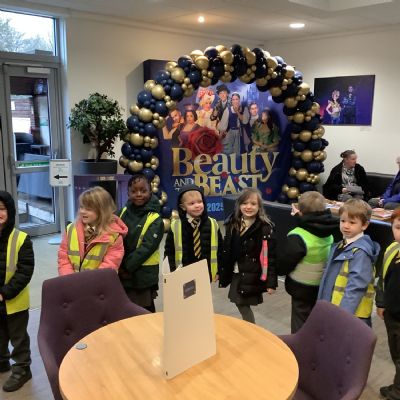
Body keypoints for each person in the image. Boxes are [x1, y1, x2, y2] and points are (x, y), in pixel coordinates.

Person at [277, 191, 339, 333]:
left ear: (301, 211)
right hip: (322, 286)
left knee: (300, 323)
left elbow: (286, 262)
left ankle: (300, 346)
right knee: (316, 320)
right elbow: (313, 224)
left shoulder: (298, 235)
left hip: (301, 288)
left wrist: (278, 270)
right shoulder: (331, 229)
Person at [219, 188, 277, 324]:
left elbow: (270, 257)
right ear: (239, 205)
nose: (248, 207)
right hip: (236, 272)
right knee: (238, 301)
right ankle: (250, 327)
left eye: (253, 204)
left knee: (241, 303)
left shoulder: (265, 228)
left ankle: (251, 329)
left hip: (251, 273)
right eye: (244, 203)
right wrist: (220, 271)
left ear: (259, 207)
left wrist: (271, 282)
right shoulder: (233, 223)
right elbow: (226, 250)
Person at [318, 199, 380, 326]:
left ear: (364, 225)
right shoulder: (340, 245)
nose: (346, 226)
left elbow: (355, 288)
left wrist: (342, 316)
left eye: (352, 222)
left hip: (352, 316)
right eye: (343, 221)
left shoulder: (361, 253)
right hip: (334, 309)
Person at [0, 190, 34, 392]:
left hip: (14, 301)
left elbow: (25, 270)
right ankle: (2, 361)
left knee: (18, 337)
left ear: (10, 212)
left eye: (2, 209)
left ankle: (22, 368)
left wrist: (5, 293)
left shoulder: (21, 239)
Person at [118, 174, 164, 312]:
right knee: (126, 308)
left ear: (150, 191)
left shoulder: (155, 219)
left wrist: (127, 267)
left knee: (144, 310)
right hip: (121, 272)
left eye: (143, 191)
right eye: (134, 191)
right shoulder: (123, 212)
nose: (138, 194)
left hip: (143, 275)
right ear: (128, 193)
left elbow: (147, 247)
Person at [58, 186, 127, 275]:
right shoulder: (71, 229)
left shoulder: (114, 236)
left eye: (88, 209)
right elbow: (63, 258)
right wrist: (69, 278)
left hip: (97, 282)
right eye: (81, 207)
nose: (82, 211)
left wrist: (88, 281)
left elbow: (110, 265)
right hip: (71, 280)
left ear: (102, 211)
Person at [164, 185, 222, 282]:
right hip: (183, 273)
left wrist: (220, 271)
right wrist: (171, 272)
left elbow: (220, 249)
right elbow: (169, 252)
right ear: (183, 207)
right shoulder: (175, 226)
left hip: (206, 273)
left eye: (200, 202)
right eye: (191, 203)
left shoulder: (213, 223)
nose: (197, 205)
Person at [376, 207, 400, 400]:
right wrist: (381, 302)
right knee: (396, 353)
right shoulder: (392, 249)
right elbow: (382, 278)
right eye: (398, 227)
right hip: (392, 314)